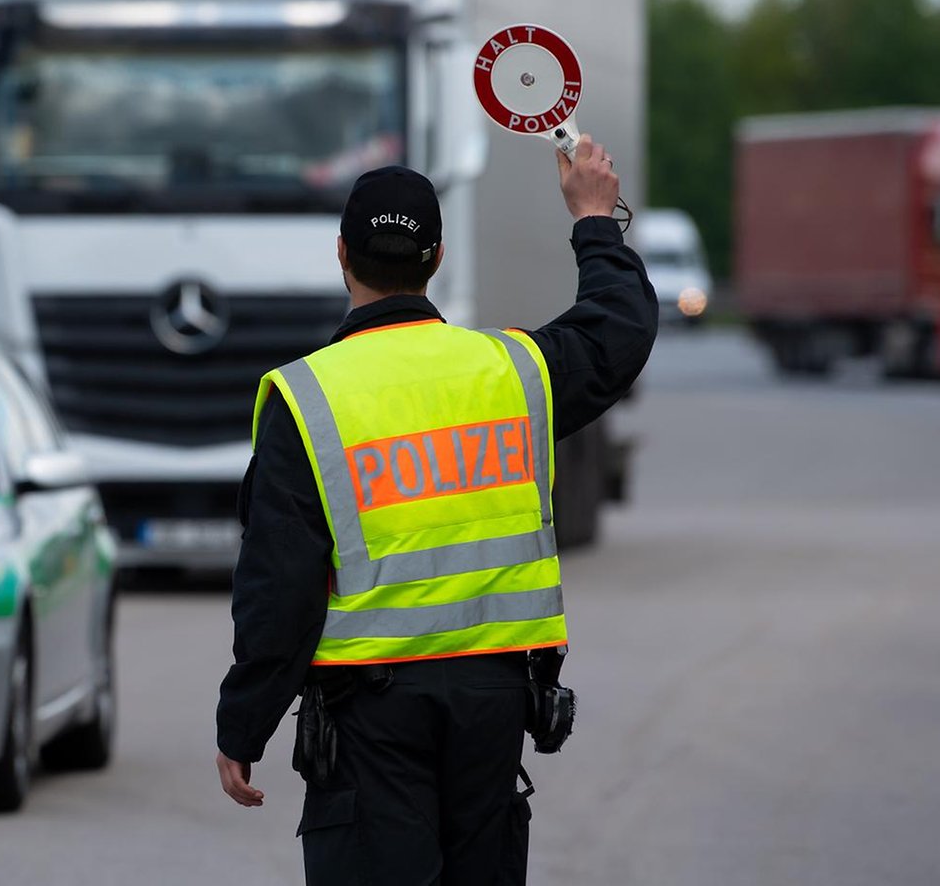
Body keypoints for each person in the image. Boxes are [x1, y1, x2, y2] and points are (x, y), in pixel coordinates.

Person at [214, 135, 658, 884]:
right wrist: (591, 217)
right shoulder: (512, 371)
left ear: (341, 255)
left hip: (369, 717)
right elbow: (618, 328)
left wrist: (244, 722)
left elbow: (279, 586)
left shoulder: (309, 397)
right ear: (437, 257)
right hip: (492, 707)